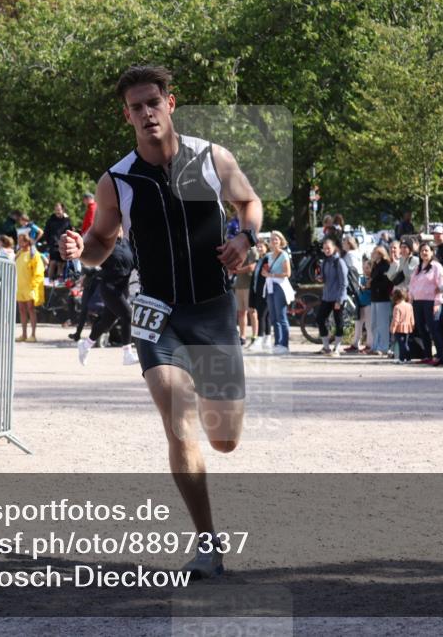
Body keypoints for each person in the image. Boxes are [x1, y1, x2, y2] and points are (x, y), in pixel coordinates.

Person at [59, 65, 263, 579]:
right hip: (155, 313)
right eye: (137, 107)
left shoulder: (212, 158)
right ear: (126, 115)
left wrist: (245, 238)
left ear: (170, 104)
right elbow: (102, 244)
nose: (147, 113)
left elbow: (249, 203)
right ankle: (207, 545)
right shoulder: (117, 180)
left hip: (212, 309)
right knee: (179, 420)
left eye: (154, 102)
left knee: (224, 439)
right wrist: (81, 249)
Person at [77, 229, 138, 366]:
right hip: (109, 288)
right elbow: (90, 260)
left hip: (123, 289)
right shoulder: (105, 245)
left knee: (106, 322)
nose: (118, 230)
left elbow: (135, 263)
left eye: (120, 227)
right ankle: (127, 354)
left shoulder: (128, 244)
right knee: (128, 316)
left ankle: (85, 345)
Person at [408, 242, 443, 365]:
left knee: (434, 328)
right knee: (422, 329)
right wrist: (410, 298)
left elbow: (441, 286)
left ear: (432, 252)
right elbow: (412, 285)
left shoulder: (436, 267)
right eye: (422, 251)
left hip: (431, 302)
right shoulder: (418, 268)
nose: (424, 253)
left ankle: (441, 355)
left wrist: (437, 303)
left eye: (426, 250)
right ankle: (428, 355)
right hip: (418, 302)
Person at [263, 231, 293, 354]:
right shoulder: (269, 256)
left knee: (281, 316)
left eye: (276, 239)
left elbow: (287, 273)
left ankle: (284, 345)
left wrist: (271, 275)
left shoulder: (284, 254)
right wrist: (266, 273)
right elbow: (267, 271)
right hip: (270, 285)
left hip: (280, 286)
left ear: (281, 241)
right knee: (274, 317)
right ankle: (277, 343)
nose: (273, 241)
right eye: (271, 239)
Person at [317, 237, 348, 355]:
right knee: (320, 319)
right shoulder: (324, 262)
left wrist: (339, 300)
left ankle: (337, 348)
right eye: (324, 248)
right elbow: (325, 278)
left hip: (338, 297)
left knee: (338, 322)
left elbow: (344, 282)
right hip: (327, 296)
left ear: (334, 248)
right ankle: (326, 347)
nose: (326, 250)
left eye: (328, 248)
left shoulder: (339, 262)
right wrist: (320, 278)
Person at [15, 233, 45, 342]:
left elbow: (39, 270)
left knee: (31, 309)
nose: (19, 243)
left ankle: (33, 334)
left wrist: (34, 285)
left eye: (21, 240)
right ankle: (24, 334)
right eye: (19, 240)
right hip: (20, 286)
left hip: (30, 286)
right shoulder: (19, 253)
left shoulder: (34, 254)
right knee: (21, 310)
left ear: (27, 242)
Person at [233, 239, 259, 348]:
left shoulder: (252, 250)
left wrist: (237, 270)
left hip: (249, 285)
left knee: (252, 311)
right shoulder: (238, 249)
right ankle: (242, 337)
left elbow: (252, 266)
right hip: (239, 285)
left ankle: (255, 336)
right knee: (240, 313)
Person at [248, 238, 272, 351]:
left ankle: (260, 338)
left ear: (266, 248)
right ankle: (267, 339)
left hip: (265, 291)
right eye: (258, 247)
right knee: (264, 316)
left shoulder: (268, 259)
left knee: (262, 315)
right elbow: (255, 278)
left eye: (261, 246)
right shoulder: (259, 260)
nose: (259, 248)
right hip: (257, 291)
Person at [368, 246, 392, 356]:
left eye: (375, 252)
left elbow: (386, 282)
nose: (373, 254)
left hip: (383, 297)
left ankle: (383, 347)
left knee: (382, 324)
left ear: (380, 254)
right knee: (374, 324)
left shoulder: (385, 265)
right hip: (374, 297)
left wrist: (373, 284)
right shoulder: (375, 266)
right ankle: (375, 346)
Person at [345, 256, 372, 354]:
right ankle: (355, 344)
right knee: (358, 324)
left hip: (369, 304)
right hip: (360, 304)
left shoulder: (372, 279)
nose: (365, 270)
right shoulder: (361, 278)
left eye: (367, 268)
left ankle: (369, 345)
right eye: (364, 268)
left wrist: (366, 287)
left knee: (369, 326)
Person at [44, 203, 73, 282]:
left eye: (59, 210)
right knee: (53, 262)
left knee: (61, 264)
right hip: (53, 244)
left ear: (62, 210)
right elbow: (46, 233)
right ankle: (49, 280)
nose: (57, 211)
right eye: (56, 210)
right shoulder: (50, 220)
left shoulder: (67, 220)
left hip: (63, 244)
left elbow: (70, 231)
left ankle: (58, 281)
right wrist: (49, 242)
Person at [390, 288, 414, 363]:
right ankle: (408, 358)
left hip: (399, 328)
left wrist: (392, 328)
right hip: (408, 327)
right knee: (405, 344)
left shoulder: (397, 307)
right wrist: (412, 326)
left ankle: (401, 359)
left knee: (401, 344)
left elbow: (396, 320)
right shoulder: (409, 306)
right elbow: (412, 318)